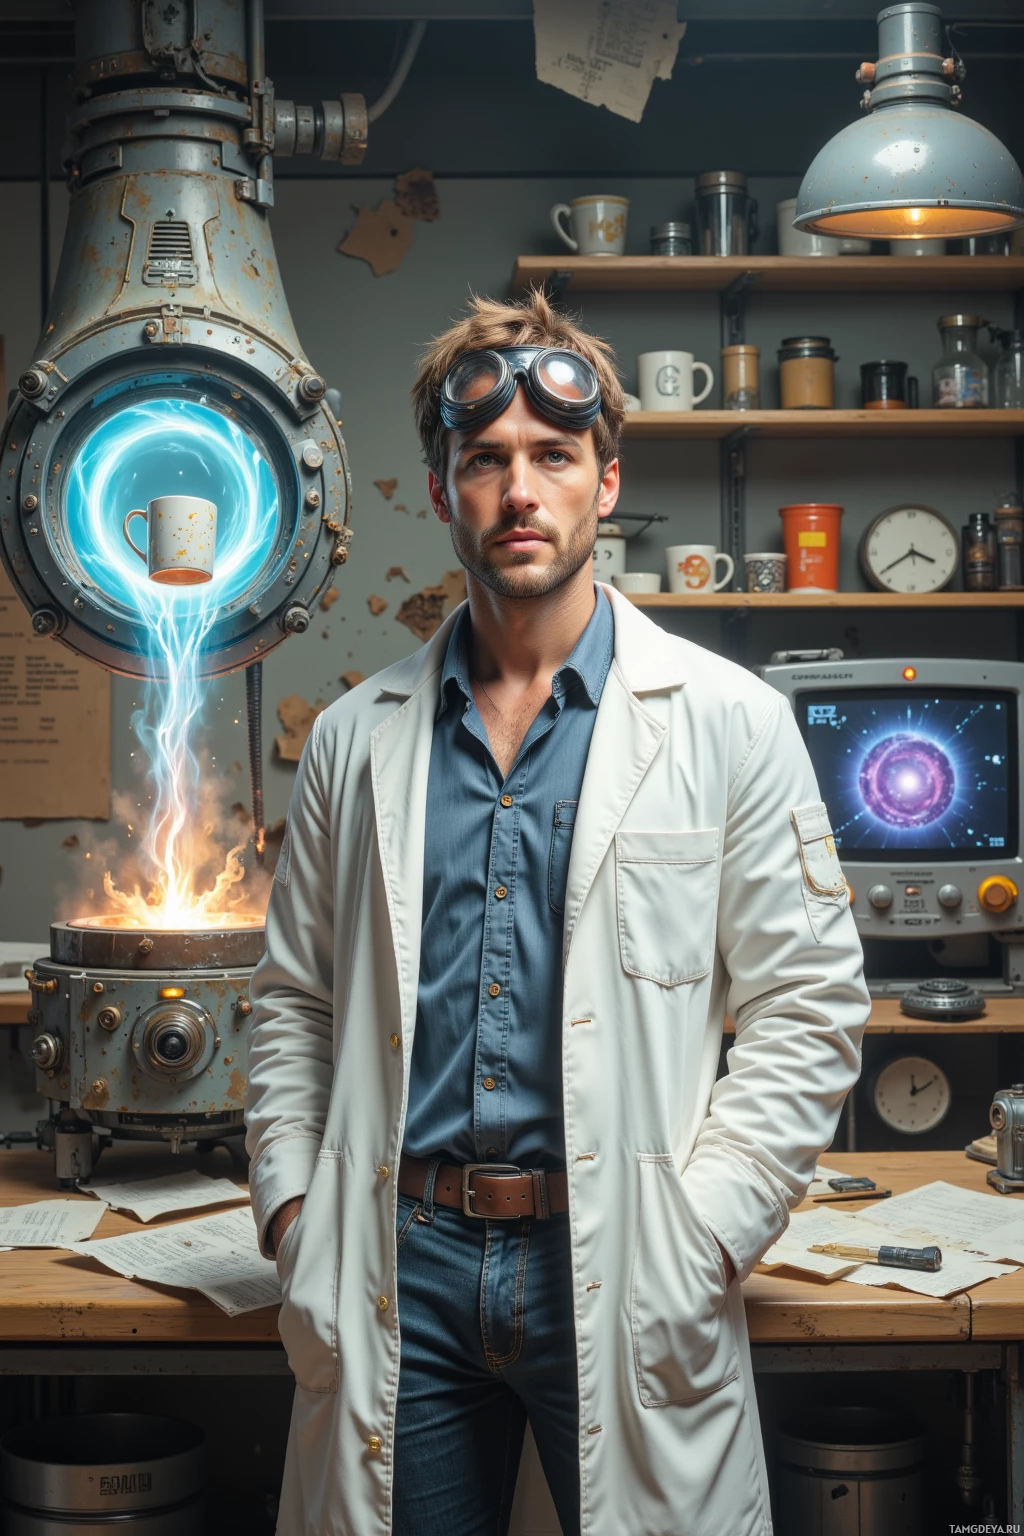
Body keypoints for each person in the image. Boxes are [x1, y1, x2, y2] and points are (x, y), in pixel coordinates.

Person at [244, 289, 870, 1536]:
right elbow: (292, 1004)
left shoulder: (728, 721)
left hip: (624, 1256)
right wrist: (294, 1214)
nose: (519, 490)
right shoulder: (355, 743)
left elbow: (807, 1009)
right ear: (441, 493)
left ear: (606, 478)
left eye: (552, 456)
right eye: (484, 461)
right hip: (398, 1257)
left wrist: (705, 1237)